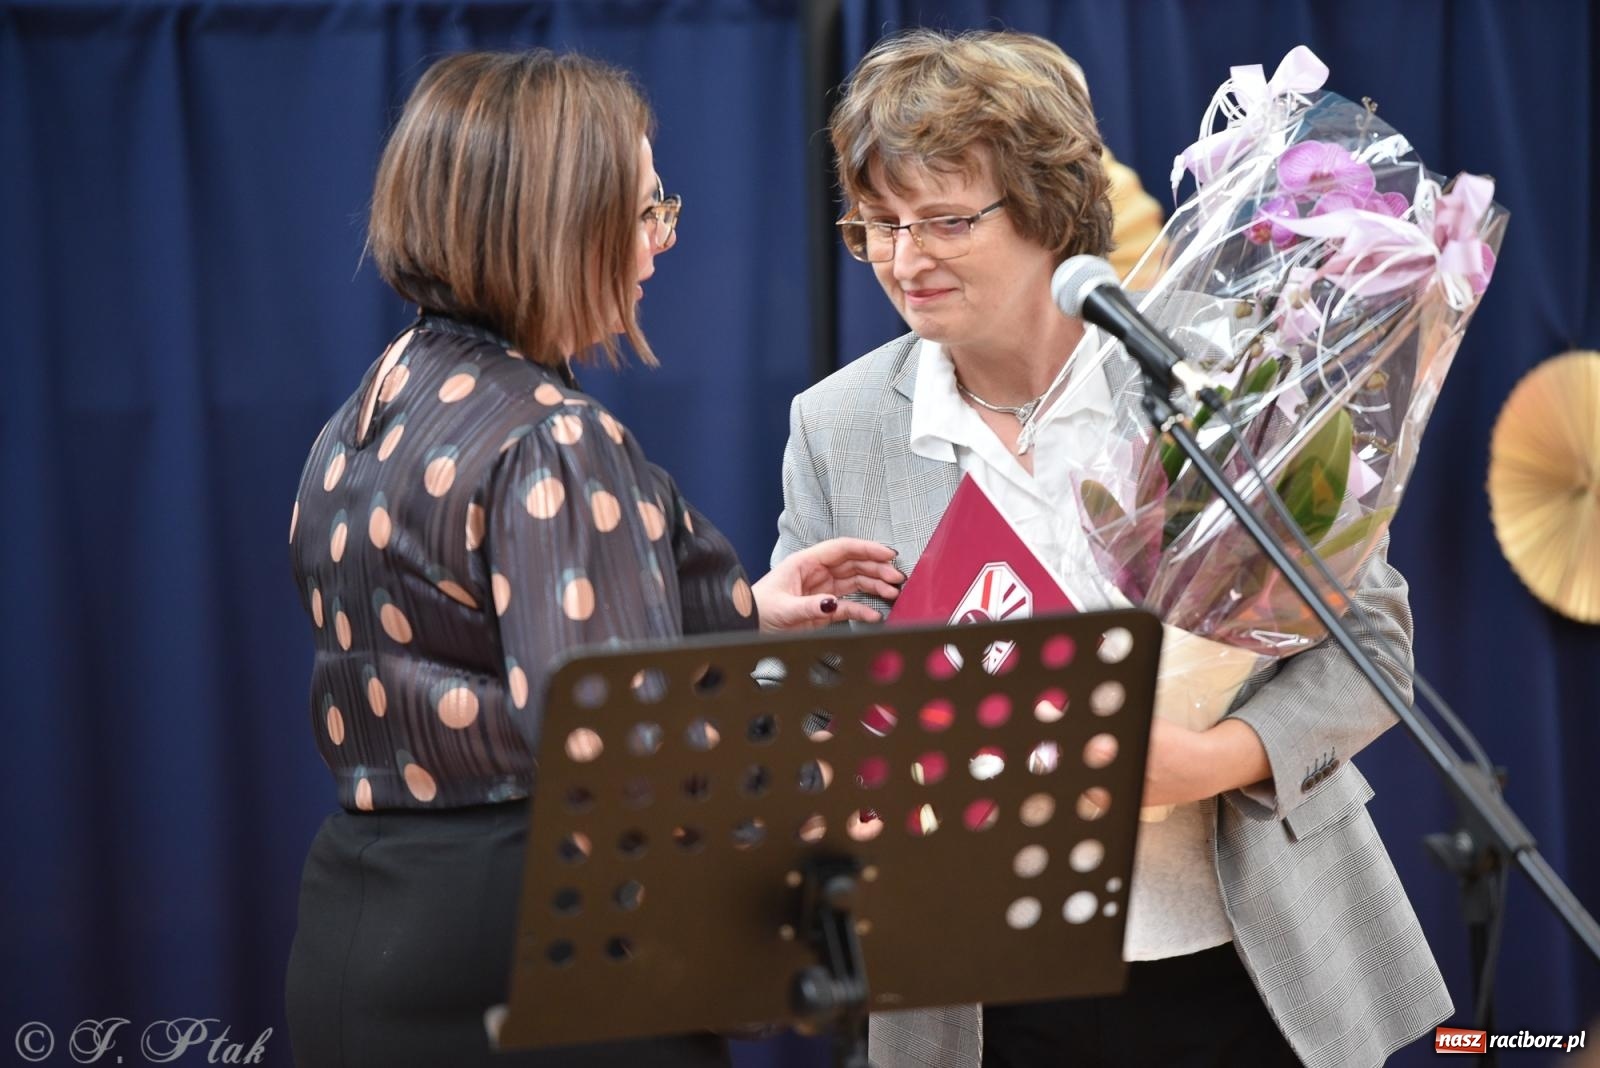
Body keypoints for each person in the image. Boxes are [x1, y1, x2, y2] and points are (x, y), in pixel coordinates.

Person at [773, 28, 1452, 1068]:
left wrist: (1214, 759)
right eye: (879, 225)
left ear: (1048, 208)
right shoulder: (838, 423)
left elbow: (1372, 647)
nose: (905, 261)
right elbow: (814, 704)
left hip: (1240, 957)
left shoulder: (1206, 373)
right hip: (983, 986)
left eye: (945, 220)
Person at [284, 49, 901, 1067]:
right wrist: (804, 884)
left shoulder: (376, 402)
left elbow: (463, 641)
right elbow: (622, 762)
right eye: (646, 209)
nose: (662, 241)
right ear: (557, 221)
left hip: (368, 926)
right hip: (539, 952)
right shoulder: (553, 437)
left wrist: (736, 610)